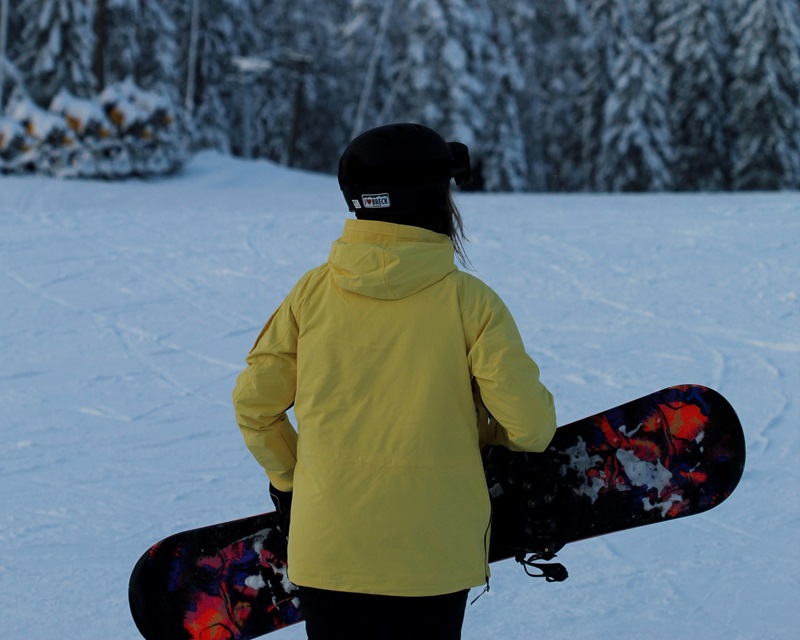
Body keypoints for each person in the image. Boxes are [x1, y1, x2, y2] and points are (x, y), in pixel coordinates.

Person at [232, 122, 556, 639]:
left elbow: (255, 406)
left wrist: (298, 482)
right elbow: (532, 428)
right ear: (434, 198)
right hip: (434, 557)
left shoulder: (309, 295)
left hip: (328, 547)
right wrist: (481, 436)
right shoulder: (470, 303)